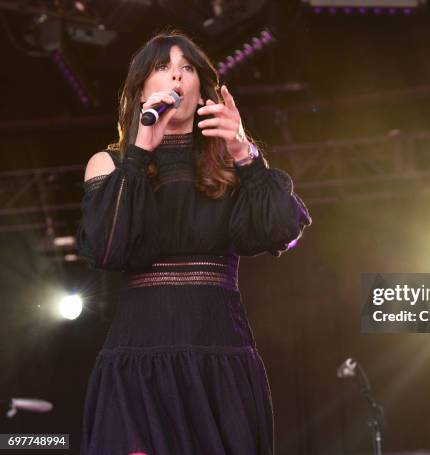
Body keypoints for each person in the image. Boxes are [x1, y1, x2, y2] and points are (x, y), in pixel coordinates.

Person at [76, 29, 311, 455]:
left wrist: (244, 151)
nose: (176, 78)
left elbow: (282, 231)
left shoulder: (231, 165)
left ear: (202, 87)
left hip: (219, 360)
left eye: (187, 69)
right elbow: (108, 248)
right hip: (141, 364)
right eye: (162, 69)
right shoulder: (109, 165)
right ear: (140, 89)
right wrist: (140, 151)